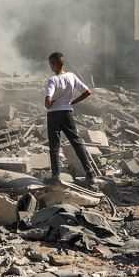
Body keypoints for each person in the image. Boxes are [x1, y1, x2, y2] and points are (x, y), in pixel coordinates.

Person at [44, 52, 99, 187]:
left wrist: (49, 102)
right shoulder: (71, 76)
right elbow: (87, 92)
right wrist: (72, 102)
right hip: (67, 113)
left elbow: (48, 101)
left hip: (54, 115)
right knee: (76, 142)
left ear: (53, 64)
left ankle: (56, 177)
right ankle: (90, 173)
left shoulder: (52, 80)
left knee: (54, 147)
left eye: (50, 64)